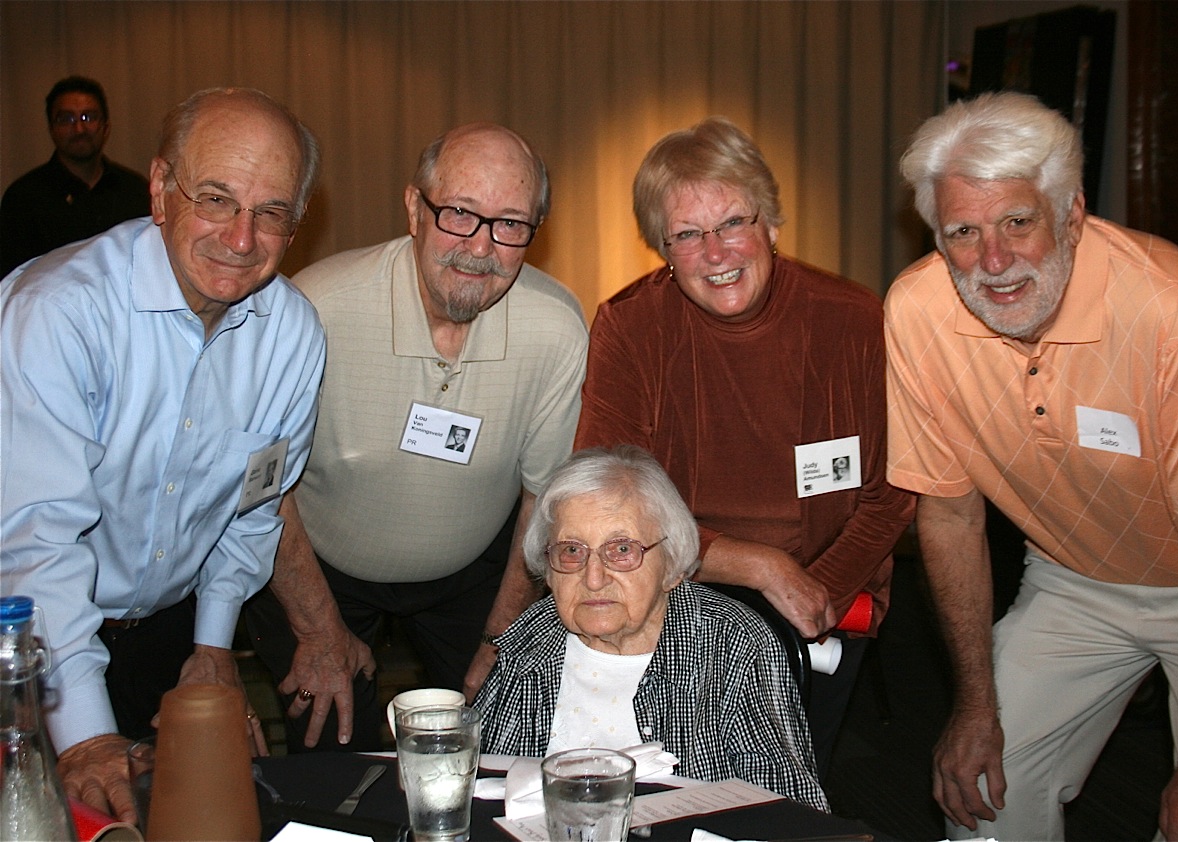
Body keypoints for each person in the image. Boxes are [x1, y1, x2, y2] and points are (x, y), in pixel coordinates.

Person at [885, 91, 1178, 841]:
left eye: (1018, 222)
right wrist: (975, 705)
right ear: (935, 237)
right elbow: (948, 512)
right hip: (1079, 576)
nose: (993, 261)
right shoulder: (915, 313)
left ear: (1071, 213)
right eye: (963, 231)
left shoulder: (1171, 308)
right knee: (981, 799)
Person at [0, 87, 325, 823]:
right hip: (25, 643)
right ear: (159, 190)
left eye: (271, 212)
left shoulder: (293, 335)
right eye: (216, 199)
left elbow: (253, 505)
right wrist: (83, 733)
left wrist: (212, 649)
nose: (241, 239)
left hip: (163, 637)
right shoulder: (59, 312)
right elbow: (36, 542)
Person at [573, 117, 915, 774]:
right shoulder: (631, 326)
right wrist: (760, 567)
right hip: (675, 586)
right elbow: (609, 503)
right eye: (688, 235)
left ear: (772, 225)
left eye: (733, 223)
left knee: (781, 781)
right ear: (662, 250)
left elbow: (893, 489)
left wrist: (819, 589)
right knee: (678, 778)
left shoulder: (850, 319)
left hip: (829, 584)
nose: (717, 252)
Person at [243, 122, 588, 753]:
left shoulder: (557, 329)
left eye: (510, 224)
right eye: (460, 214)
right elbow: (261, 488)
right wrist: (319, 629)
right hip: (319, 570)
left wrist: (499, 643)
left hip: (471, 570)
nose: (481, 248)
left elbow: (545, 501)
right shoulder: (319, 311)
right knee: (329, 745)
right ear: (413, 208)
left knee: (507, 741)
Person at [476, 445, 829, 811]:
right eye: (571, 551)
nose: (594, 579)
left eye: (622, 549)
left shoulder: (731, 642)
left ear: (673, 565)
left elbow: (788, 811)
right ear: (548, 569)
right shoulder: (535, 633)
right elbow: (479, 780)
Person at [0, 76, 151, 276]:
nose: (79, 128)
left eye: (88, 117)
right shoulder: (23, 198)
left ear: (105, 127)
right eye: (66, 119)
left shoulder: (135, 190)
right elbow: (11, 281)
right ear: (52, 129)